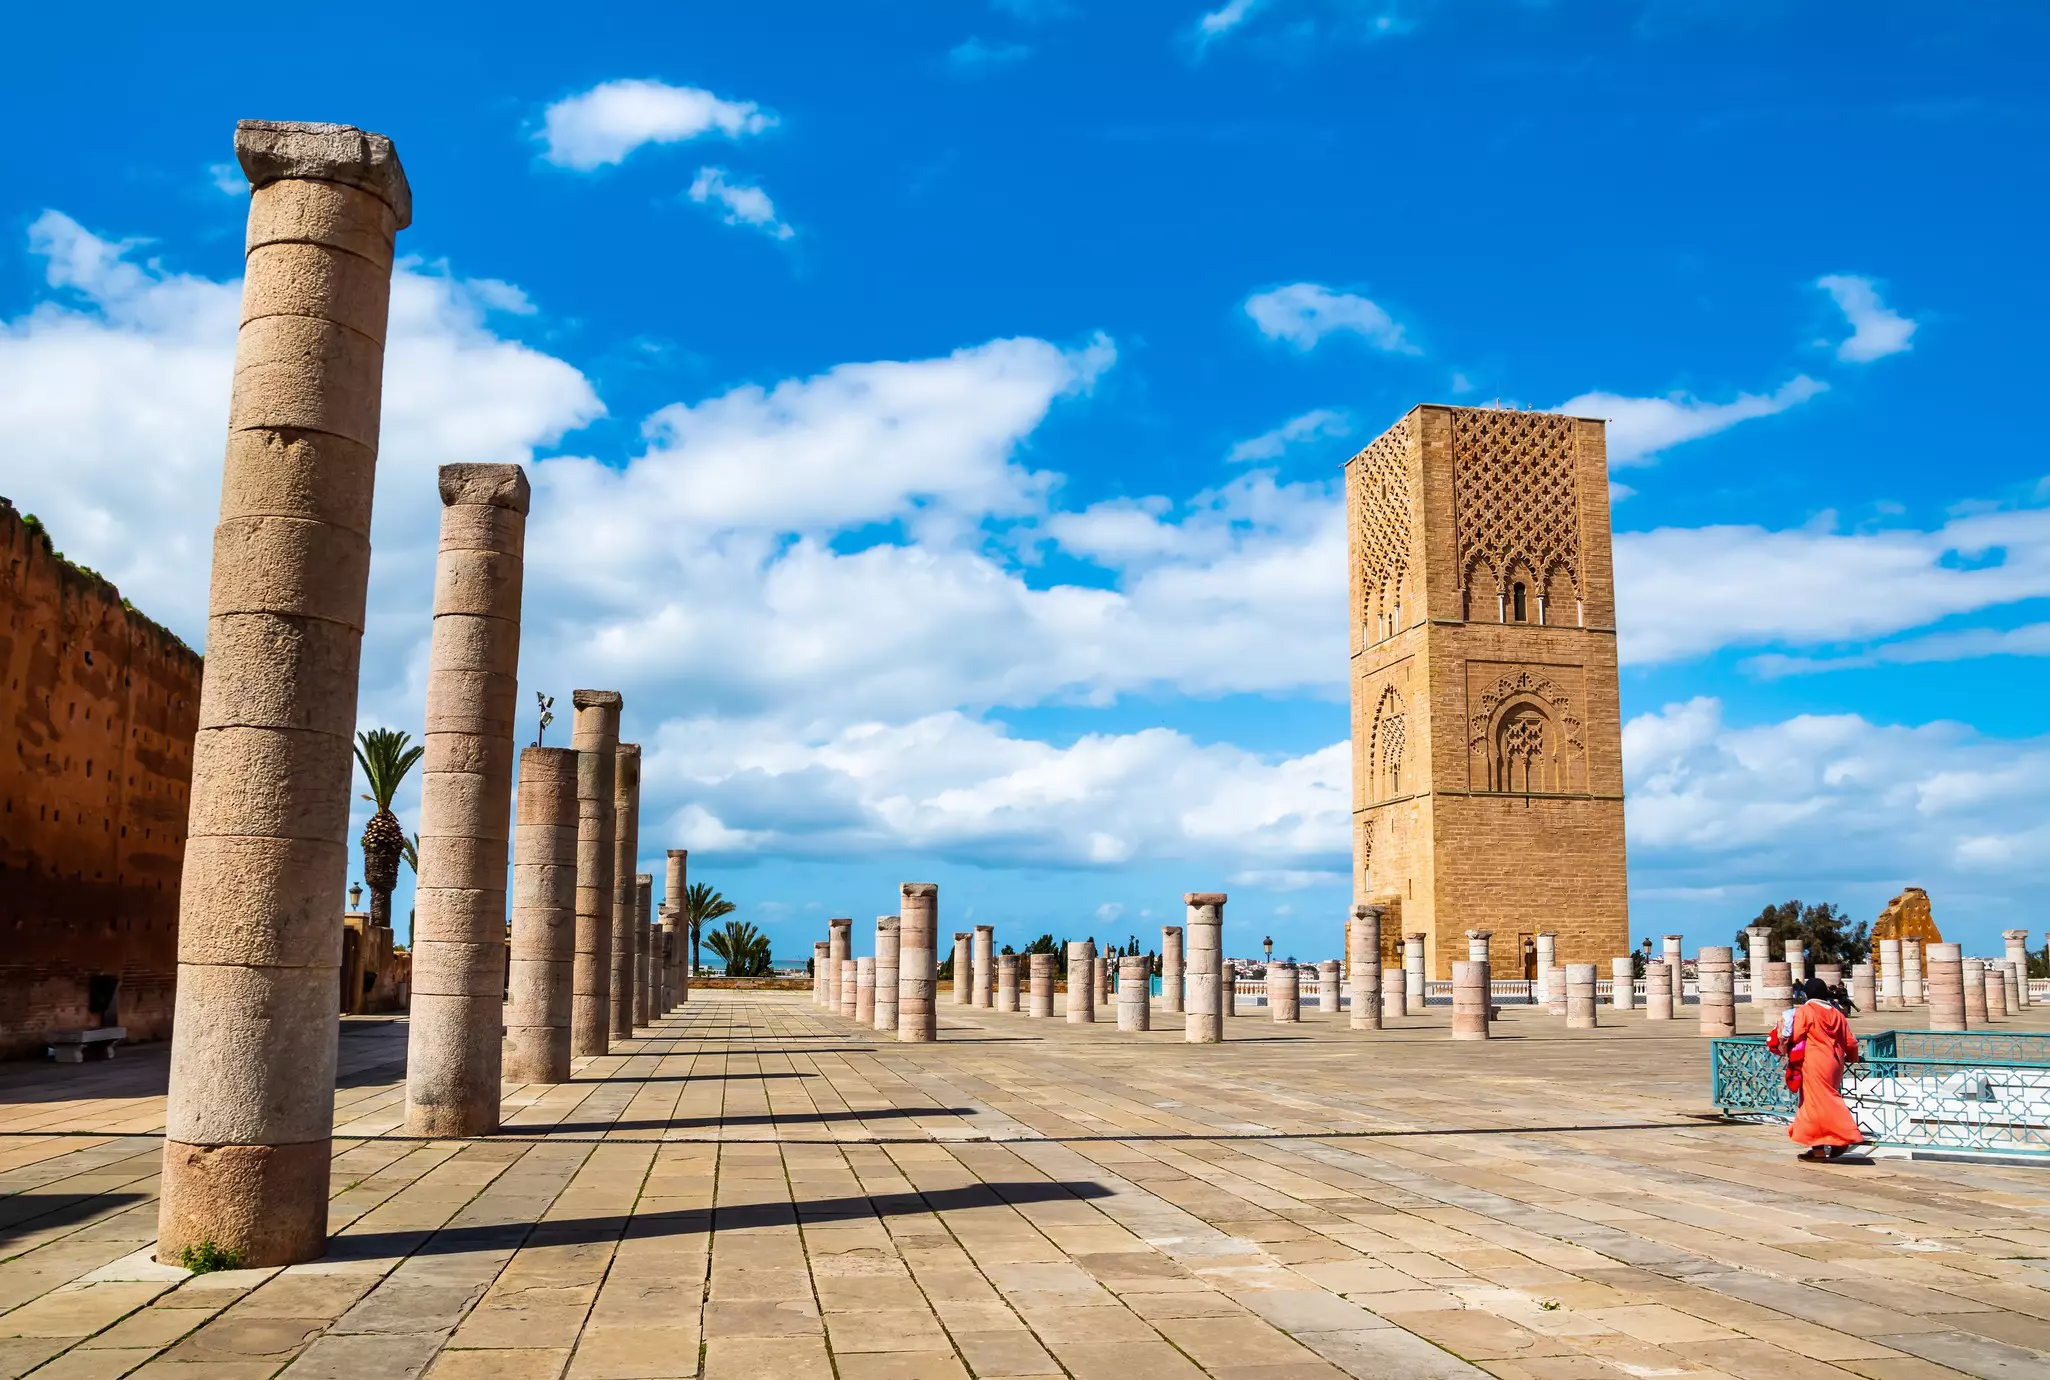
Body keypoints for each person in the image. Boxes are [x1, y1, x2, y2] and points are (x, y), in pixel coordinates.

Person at [1768, 977, 1863, 1160]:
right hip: (1835, 1062)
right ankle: (1818, 1149)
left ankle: (1844, 1137)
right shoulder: (1837, 1014)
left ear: (1806, 994)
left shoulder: (1806, 1011)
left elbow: (1796, 1034)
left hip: (1814, 1061)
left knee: (1824, 1100)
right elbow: (1850, 1041)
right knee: (1814, 1103)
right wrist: (1852, 1058)